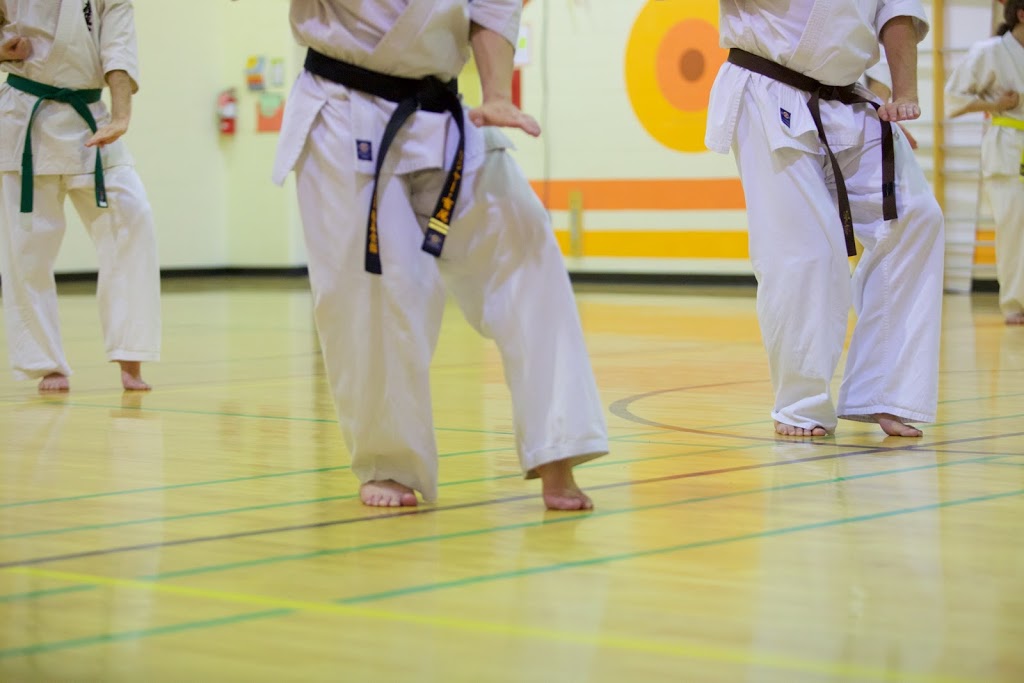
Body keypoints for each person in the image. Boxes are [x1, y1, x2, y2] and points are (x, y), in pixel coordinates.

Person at [264, 0, 608, 509]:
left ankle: (557, 449)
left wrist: (497, 94)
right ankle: (388, 463)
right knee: (380, 289)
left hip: (442, 108)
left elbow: (492, 6)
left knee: (525, 241)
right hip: (343, 106)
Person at [705, 1, 945, 438]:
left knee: (915, 217)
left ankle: (885, 391)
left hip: (848, 97)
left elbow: (896, 9)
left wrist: (903, 93)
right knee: (807, 251)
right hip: (768, 87)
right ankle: (800, 404)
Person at [0, 0, 160, 393]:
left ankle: (130, 352)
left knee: (132, 217)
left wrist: (121, 115)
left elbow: (118, 48)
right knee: (27, 250)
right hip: (23, 118)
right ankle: (45, 362)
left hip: (91, 115)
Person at [946, 0, 1024, 326]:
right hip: (1008, 146)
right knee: (1014, 228)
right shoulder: (990, 51)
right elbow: (953, 97)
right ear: (1021, 14)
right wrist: (994, 103)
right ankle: (1015, 303)